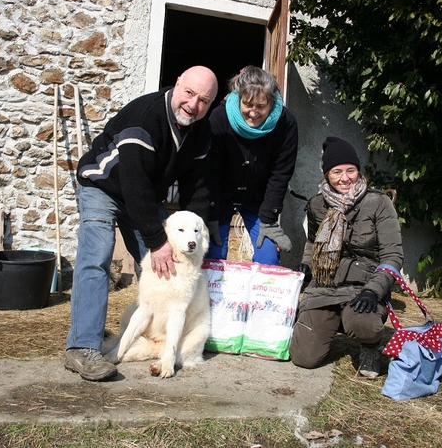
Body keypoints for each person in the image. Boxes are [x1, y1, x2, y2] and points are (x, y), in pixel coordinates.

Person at [65, 66, 219, 381]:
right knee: (97, 256)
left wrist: (194, 230)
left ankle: (153, 338)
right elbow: (132, 181)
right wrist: (157, 241)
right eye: (189, 93)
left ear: (211, 104)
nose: (193, 105)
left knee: (170, 264)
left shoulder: (201, 133)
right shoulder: (145, 117)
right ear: (177, 84)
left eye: (204, 100)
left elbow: (198, 189)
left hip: (144, 196)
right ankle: (82, 347)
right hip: (102, 185)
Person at [289, 137, 403, 378]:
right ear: (326, 175)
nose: (345, 178)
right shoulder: (317, 205)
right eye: (337, 171)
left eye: (350, 170)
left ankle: (370, 346)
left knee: (365, 325)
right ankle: (331, 322)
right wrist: (307, 266)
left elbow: (393, 255)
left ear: (358, 171)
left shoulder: (378, 203)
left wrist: (374, 290)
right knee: (304, 358)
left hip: (363, 287)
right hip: (326, 287)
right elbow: (312, 241)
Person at [205, 65, 298, 265]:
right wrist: (211, 214)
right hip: (221, 197)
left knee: (268, 255)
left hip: (260, 200)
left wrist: (269, 219)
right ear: (238, 98)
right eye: (247, 104)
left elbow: (281, 173)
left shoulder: (286, 123)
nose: (253, 113)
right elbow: (211, 170)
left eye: (261, 106)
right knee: (213, 251)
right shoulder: (219, 117)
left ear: (272, 103)